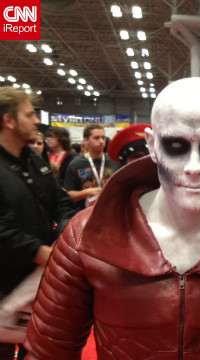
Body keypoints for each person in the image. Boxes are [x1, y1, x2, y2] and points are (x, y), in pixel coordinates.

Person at [24, 77, 200, 359]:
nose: (194, 167)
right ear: (152, 145)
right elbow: (48, 351)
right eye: (176, 146)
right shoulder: (85, 238)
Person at [0, 87, 76, 359]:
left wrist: (66, 232)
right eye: (30, 114)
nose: (36, 121)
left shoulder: (34, 159)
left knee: (40, 348)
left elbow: (61, 200)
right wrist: (38, 251)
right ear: (8, 121)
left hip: (39, 282)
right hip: (5, 283)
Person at [64, 124, 120, 209]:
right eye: (96, 138)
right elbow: (68, 194)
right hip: (85, 214)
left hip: (110, 211)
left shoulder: (114, 161)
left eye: (103, 137)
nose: (101, 141)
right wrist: (86, 192)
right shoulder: (75, 164)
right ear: (86, 140)